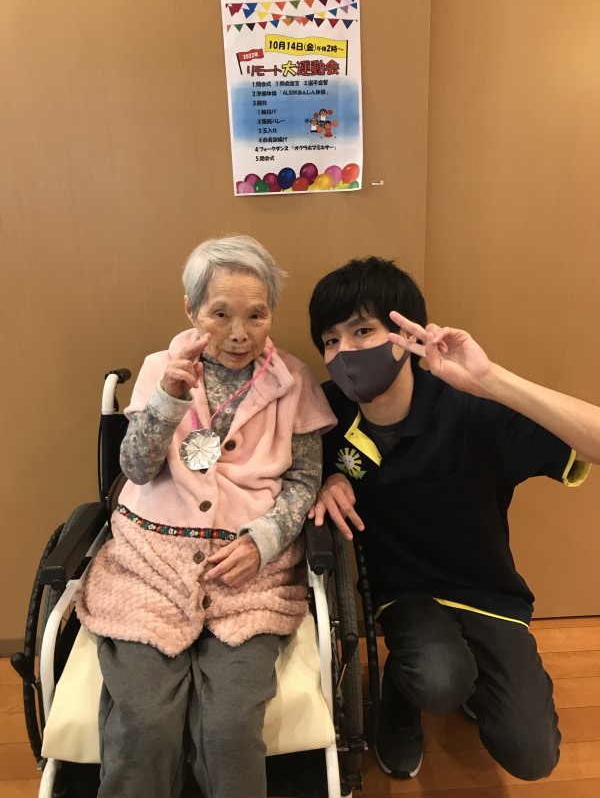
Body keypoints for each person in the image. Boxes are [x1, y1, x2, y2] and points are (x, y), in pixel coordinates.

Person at [308, 256, 600, 782]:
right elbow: (286, 475)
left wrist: (491, 380)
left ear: (406, 336)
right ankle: (404, 692)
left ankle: (465, 678)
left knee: (532, 757)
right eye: (330, 340)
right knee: (439, 678)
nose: (344, 351)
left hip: (488, 593)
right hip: (404, 596)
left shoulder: (470, 407)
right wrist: (326, 479)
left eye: (362, 331)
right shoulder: (328, 412)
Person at [76, 234, 336, 798]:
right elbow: (135, 468)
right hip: (150, 570)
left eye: (256, 315)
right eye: (220, 314)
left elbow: (303, 481)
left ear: (271, 314)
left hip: (250, 578)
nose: (239, 333)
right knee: (144, 723)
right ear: (191, 310)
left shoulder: (293, 380)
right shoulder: (160, 368)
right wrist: (169, 397)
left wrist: (262, 541)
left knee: (230, 729)